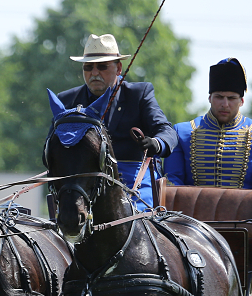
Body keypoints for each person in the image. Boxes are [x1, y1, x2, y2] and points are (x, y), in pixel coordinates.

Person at [57, 33, 178, 211]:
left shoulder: (139, 94)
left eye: (102, 66)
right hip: (83, 185)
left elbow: (166, 130)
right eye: (88, 67)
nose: (94, 73)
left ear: (119, 68)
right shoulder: (67, 101)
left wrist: (157, 143)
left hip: (132, 180)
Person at [164, 58, 252, 193]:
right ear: (209, 98)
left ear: (241, 101)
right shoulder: (182, 132)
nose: (225, 104)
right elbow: (171, 179)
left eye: (231, 98)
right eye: (219, 97)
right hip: (189, 213)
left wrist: (247, 206)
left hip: (245, 213)